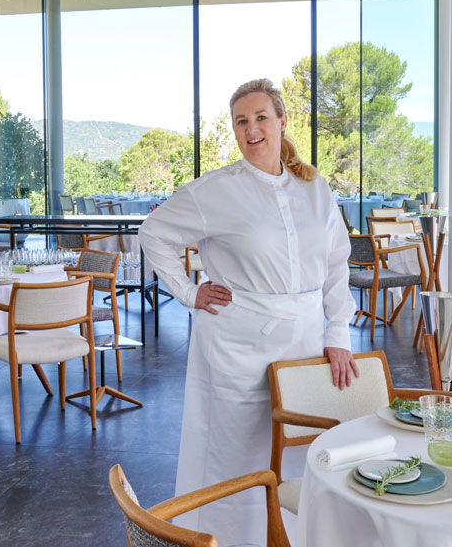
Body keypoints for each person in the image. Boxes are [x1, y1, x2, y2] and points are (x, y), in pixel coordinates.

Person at [139, 78, 358, 546]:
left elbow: (337, 263)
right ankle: (223, 540)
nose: (252, 128)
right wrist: (187, 290)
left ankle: (289, 538)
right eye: (241, 121)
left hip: (302, 340)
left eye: (261, 117)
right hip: (237, 341)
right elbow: (153, 232)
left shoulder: (317, 188)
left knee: (297, 449)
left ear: (282, 122)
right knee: (234, 453)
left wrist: (337, 332)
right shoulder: (214, 191)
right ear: (235, 131)